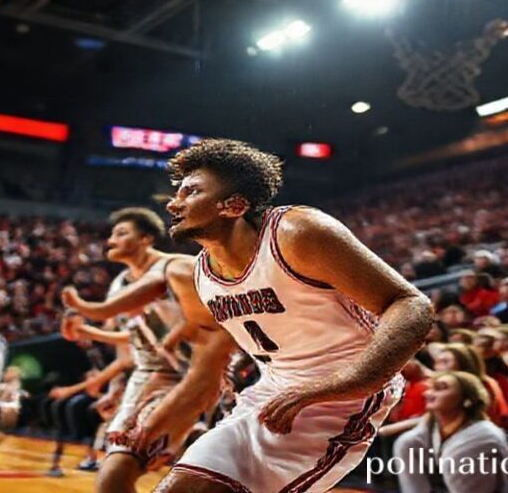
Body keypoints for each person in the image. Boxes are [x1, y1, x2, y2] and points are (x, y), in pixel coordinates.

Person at [149, 139, 433, 493]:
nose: (174, 203)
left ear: (234, 205)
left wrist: (348, 382)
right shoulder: (204, 271)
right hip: (271, 389)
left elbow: (411, 305)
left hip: (342, 396)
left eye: (191, 192)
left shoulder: (296, 233)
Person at [61, 207, 217, 493]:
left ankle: (196, 439)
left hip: (191, 376)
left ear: (145, 239)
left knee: (130, 468)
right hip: (149, 376)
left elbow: (214, 325)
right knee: (113, 474)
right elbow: (134, 341)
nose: (111, 240)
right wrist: (87, 332)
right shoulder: (120, 284)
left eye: (121, 233)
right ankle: (192, 441)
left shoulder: (179, 268)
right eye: (111, 234)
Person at [393, 371, 508, 493]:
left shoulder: (485, 436)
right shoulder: (425, 431)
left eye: (440, 388)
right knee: (405, 443)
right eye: (431, 388)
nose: (427, 393)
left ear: (467, 399)